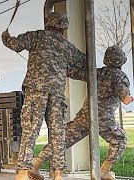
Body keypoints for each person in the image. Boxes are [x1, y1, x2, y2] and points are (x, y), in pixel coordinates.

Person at [1, 12, 87, 180]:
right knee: (58, 133)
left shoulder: (37, 36)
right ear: (63, 28)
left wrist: (5, 36)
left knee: (30, 130)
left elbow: (14, 44)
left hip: (35, 91)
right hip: (57, 94)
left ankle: (25, 171)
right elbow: (84, 62)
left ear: (48, 24)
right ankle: (57, 173)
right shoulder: (67, 46)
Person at [31, 45, 132, 180]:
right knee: (120, 139)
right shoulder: (120, 76)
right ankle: (104, 171)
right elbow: (125, 98)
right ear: (121, 61)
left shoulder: (97, 72)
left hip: (86, 115)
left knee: (63, 140)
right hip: (103, 118)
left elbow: (75, 73)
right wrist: (130, 98)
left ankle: (35, 164)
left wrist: (56, 66)